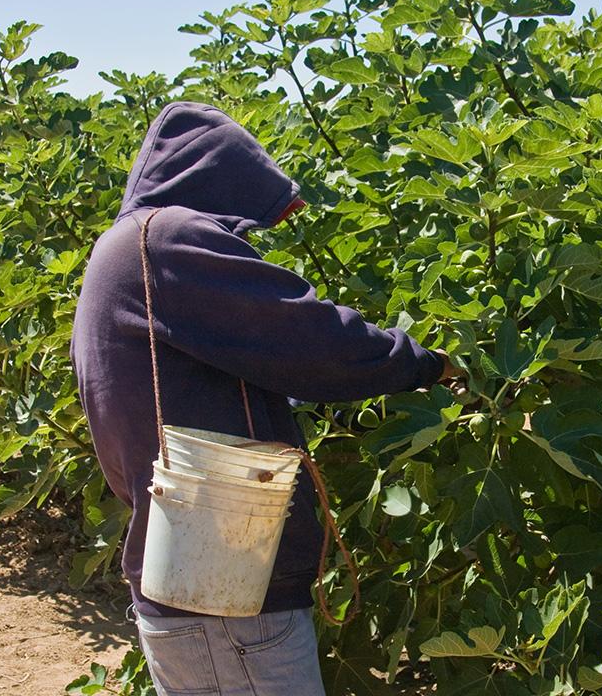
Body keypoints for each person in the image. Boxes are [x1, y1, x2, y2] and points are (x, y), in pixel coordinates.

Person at [69, 101, 458, 696]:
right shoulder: (168, 240)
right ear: (220, 178)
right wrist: (428, 364)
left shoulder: (123, 250)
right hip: (229, 592)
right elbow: (309, 340)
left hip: (189, 572)